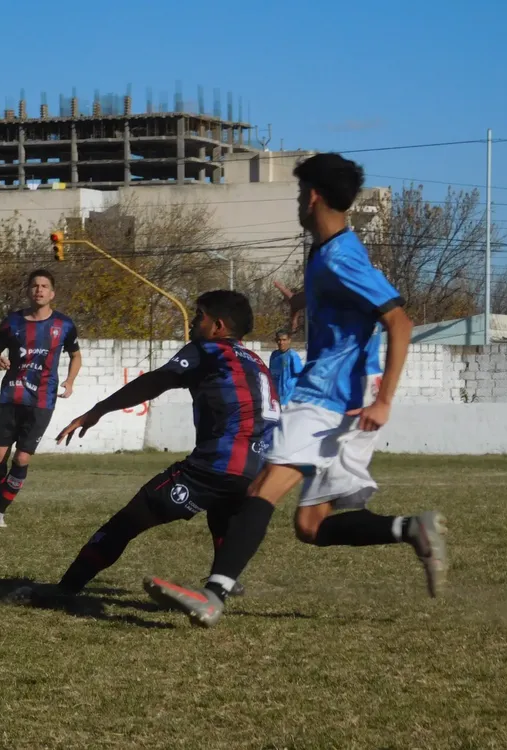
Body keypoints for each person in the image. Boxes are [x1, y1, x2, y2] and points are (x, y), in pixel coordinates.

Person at [144, 152, 449, 627]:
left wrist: (384, 399)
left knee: (265, 486)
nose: (296, 202)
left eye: (296, 194)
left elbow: (399, 321)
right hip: (344, 396)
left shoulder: (341, 257)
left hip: (332, 393)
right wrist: (305, 302)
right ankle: (412, 529)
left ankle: (214, 595)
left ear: (311, 197)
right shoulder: (324, 254)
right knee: (310, 526)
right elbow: (345, 294)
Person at [40, 290, 278, 599]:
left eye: (199, 315)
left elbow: (156, 380)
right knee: (223, 512)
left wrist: (98, 410)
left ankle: (64, 590)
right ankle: (221, 584)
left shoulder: (208, 350)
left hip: (217, 463)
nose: (192, 321)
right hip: (260, 470)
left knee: (127, 522)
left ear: (218, 326)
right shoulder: (256, 360)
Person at [0, 269, 82, 528]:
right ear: (28, 290)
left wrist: (70, 381)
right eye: (35, 285)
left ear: (52, 293)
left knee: (22, 458)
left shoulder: (64, 325)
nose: (39, 289)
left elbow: (76, 355)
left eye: (44, 286)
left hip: (42, 400)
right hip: (10, 396)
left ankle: (0, 511)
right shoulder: (12, 321)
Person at [269, 328, 303, 404]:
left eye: (284, 340)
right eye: (279, 340)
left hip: (288, 399)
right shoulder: (274, 355)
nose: (281, 342)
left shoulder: (293, 355)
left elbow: (301, 376)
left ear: (289, 340)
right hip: (275, 397)